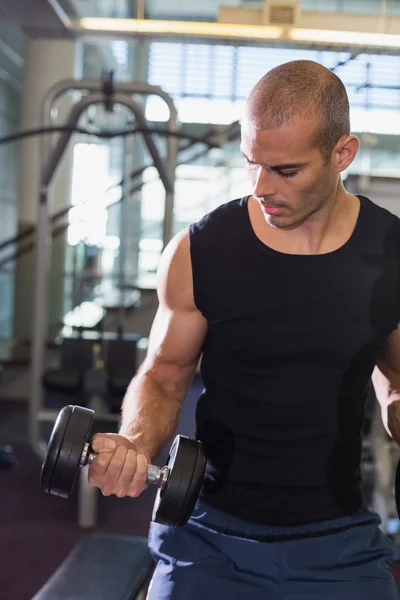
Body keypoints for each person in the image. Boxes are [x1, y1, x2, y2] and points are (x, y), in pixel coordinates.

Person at [88, 60, 400, 599]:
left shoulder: (391, 253)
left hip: (338, 539)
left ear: (341, 154)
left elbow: (395, 378)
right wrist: (135, 443)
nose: (261, 187)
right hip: (207, 532)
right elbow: (165, 373)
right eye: (252, 163)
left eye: (286, 170)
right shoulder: (203, 249)